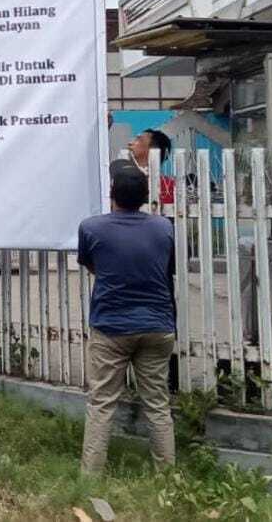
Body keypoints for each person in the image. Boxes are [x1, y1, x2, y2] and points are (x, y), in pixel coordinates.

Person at [77, 160, 177, 475]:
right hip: (158, 325)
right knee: (158, 406)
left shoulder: (92, 227)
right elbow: (165, 269)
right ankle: (167, 478)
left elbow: (93, 266)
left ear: (112, 194)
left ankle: (90, 480)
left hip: (111, 326)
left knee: (101, 404)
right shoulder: (164, 227)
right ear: (146, 197)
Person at [128, 128, 176, 207]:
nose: (130, 143)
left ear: (153, 149)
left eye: (139, 140)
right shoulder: (120, 181)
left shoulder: (169, 188)